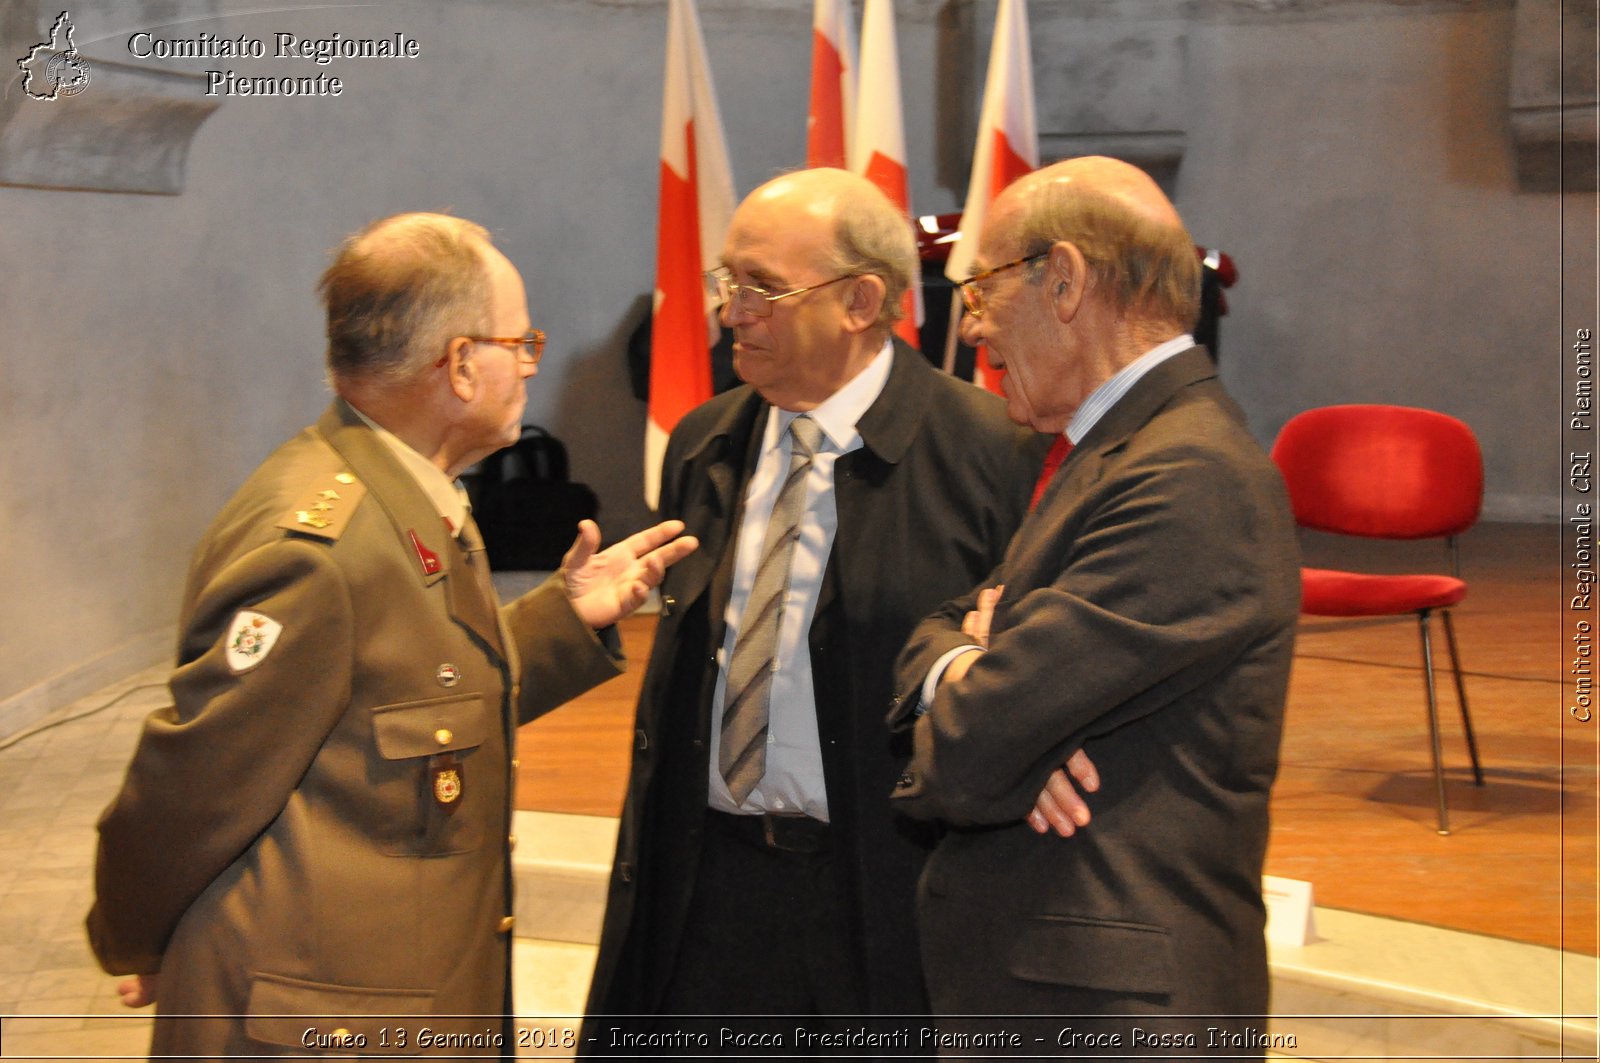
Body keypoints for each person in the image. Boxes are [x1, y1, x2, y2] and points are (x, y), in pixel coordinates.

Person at [86, 212, 697, 1059]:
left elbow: (412, 697)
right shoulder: (321, 548)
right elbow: (190, 788)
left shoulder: (414, 496)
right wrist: (137, 939)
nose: (528, 364)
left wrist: (566, 616)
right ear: (458, 364)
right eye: (521, 342)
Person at [580, 168, 1048, 1047]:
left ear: (861, 300)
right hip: (706, 890)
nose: (731, 311)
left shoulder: (988, 453)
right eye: (729, 283)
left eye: (761, 287)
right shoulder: (704, 442)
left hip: (884, 896)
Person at [891, 157, 1301, 1055]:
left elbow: (971, 744)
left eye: (981, 288)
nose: (969, 323)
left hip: (1112, 1012)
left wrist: (994, 705)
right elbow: (943, 631)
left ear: (1065, 280)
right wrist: (975, 672)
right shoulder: (1117, 450)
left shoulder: (1189, 473)